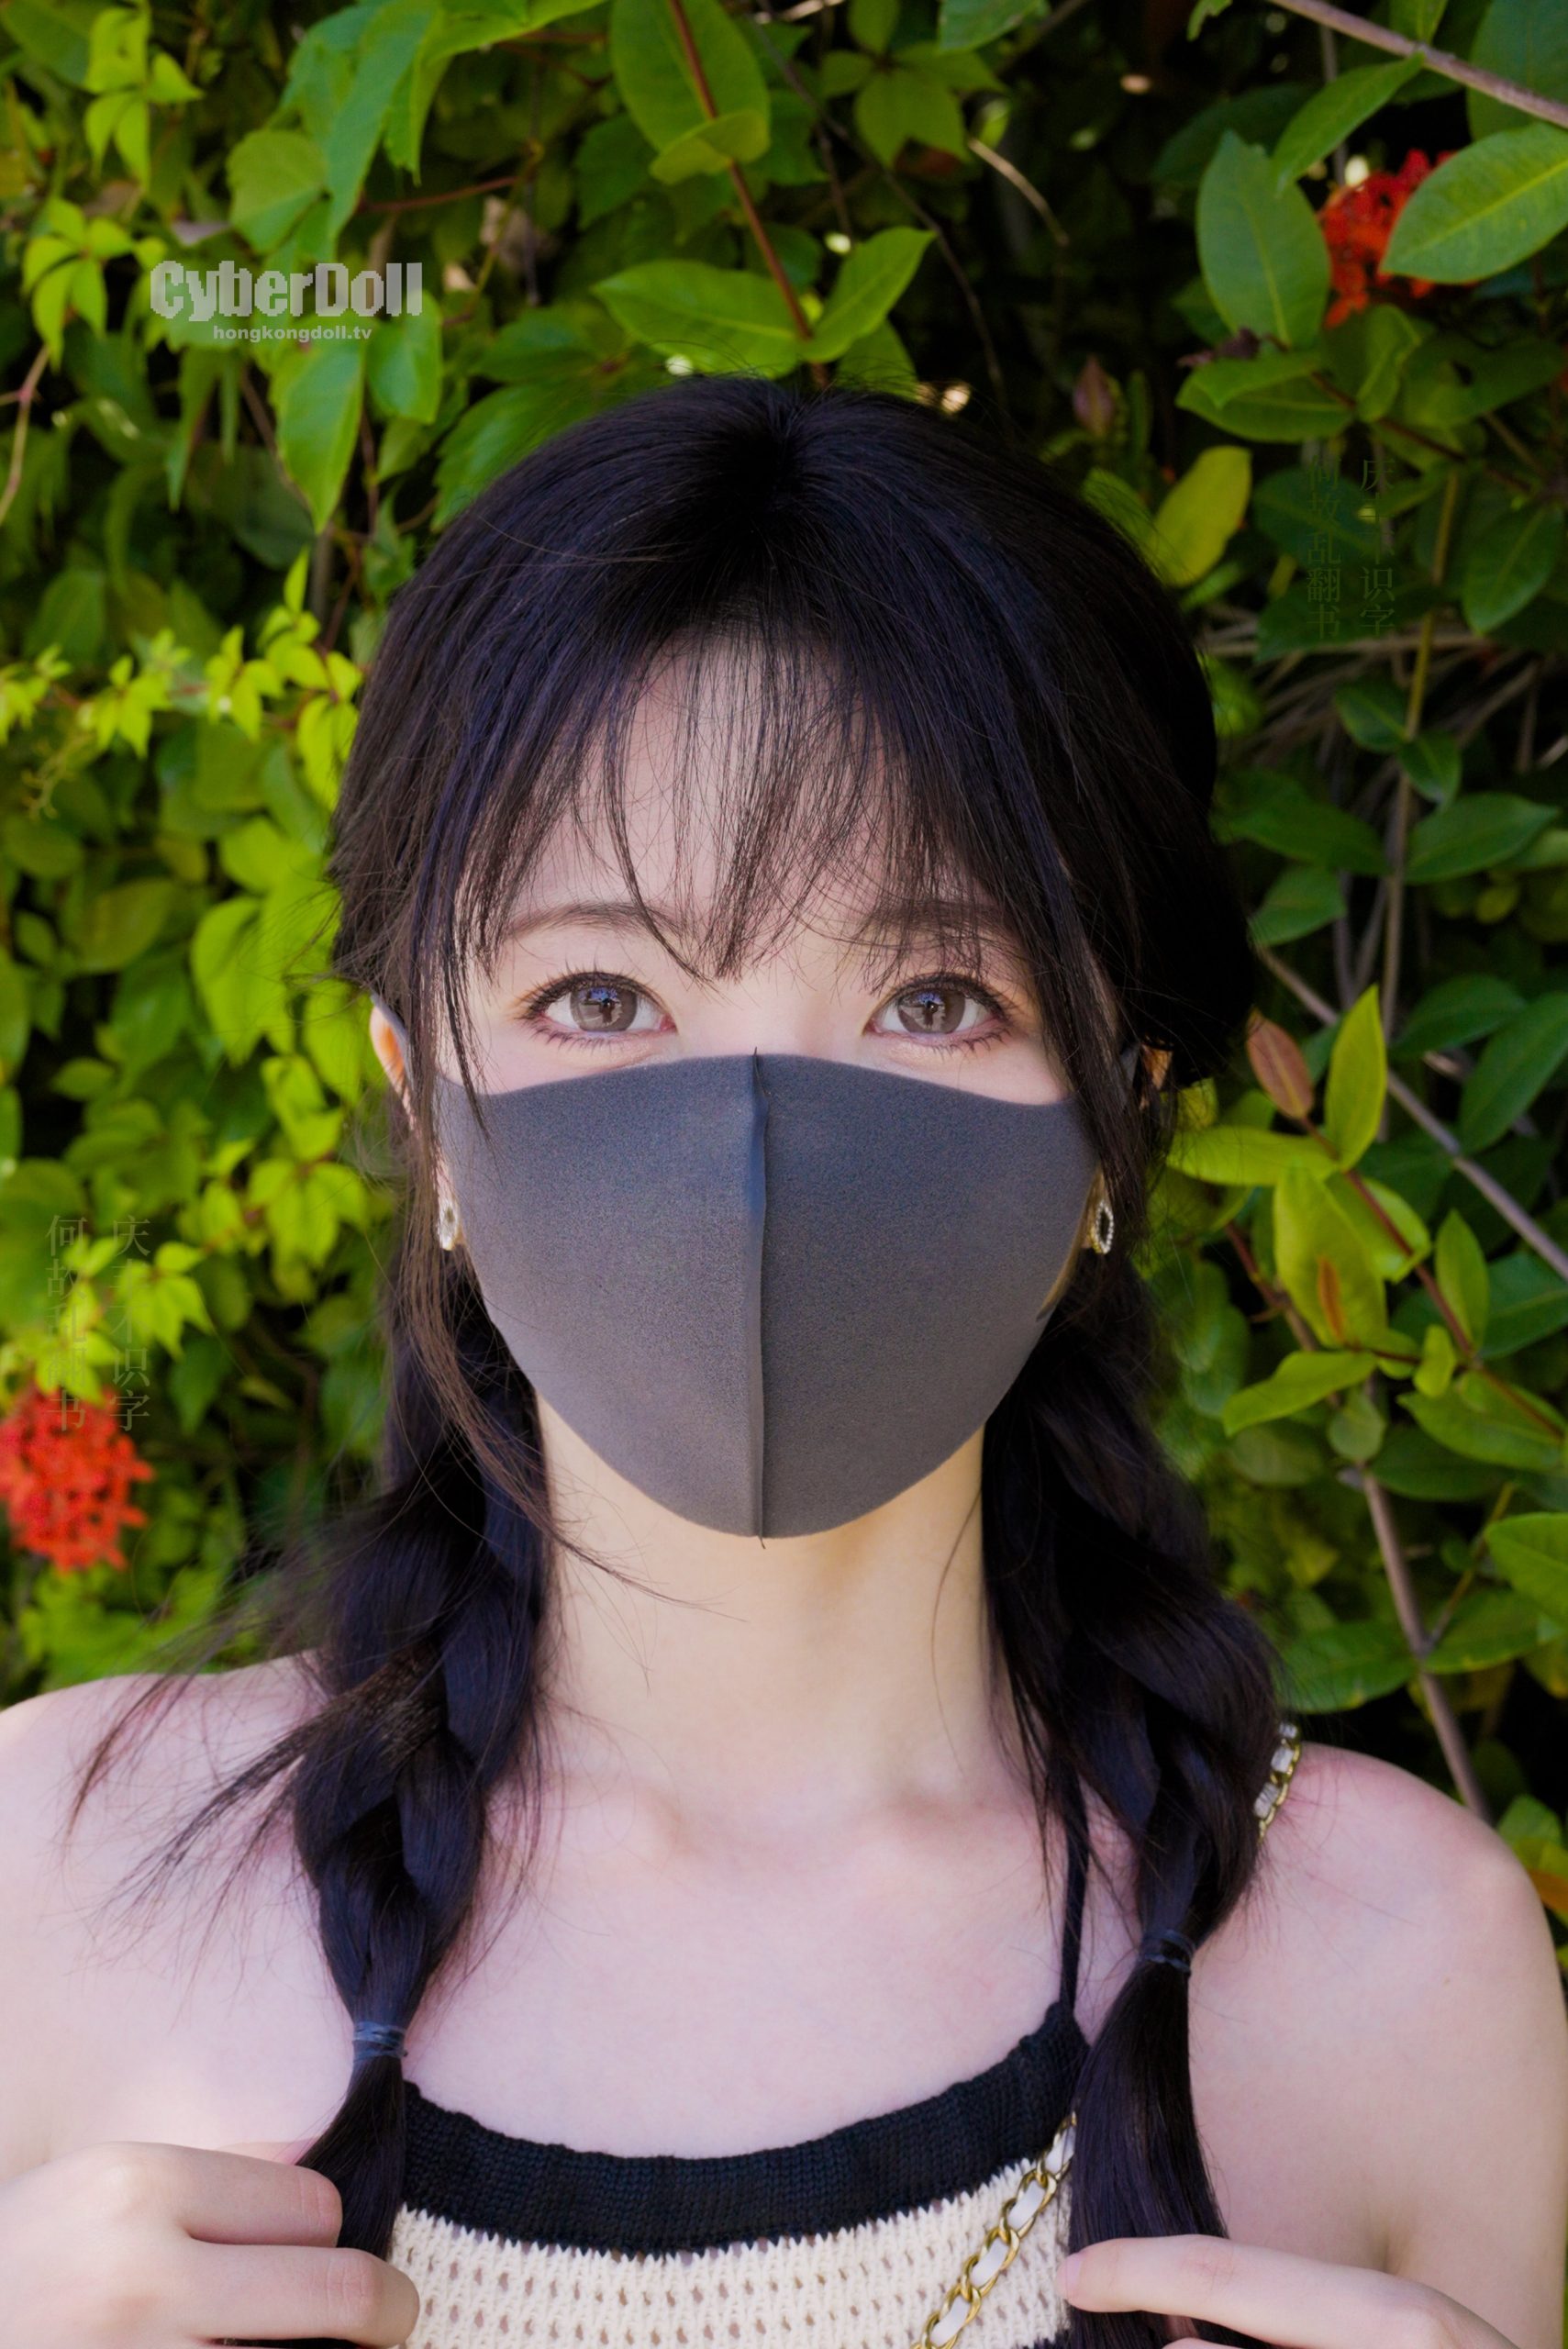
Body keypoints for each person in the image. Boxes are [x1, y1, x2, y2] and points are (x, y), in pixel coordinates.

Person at [0, 376, 1562, 2349]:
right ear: (420, 1102)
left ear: (1122, 1116)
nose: (756, 1138)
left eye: (935, 994)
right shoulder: (49, 1879)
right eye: (600, 994)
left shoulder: (1404, 1967)